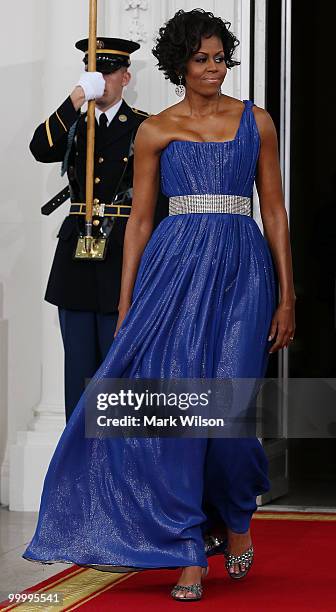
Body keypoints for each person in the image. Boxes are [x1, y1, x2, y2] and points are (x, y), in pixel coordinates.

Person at [23, 9, 296, 602]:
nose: (215, 68)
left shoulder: (258, 121)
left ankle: (239, 520)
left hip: (242, 270)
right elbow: (141, 223)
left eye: (221, 57)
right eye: (202, 59)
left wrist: (287, 294)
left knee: (228, 413)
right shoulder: (156, 130)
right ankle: (186, 547)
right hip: (172, 273)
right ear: (179, 65)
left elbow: (273, 210)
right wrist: (126, 305)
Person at [30, 37, 168, 421]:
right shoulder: (75, 124)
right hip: (76, 259)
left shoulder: (144, 127)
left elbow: (160, 199)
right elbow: (40, 148)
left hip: (121, 258)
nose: (102, 80)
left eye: (108, 72)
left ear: (125, 77)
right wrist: (76, 97)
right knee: (77, 371)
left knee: (117, 370)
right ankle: (77, 467)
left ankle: (113, 467)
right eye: (94, 73)